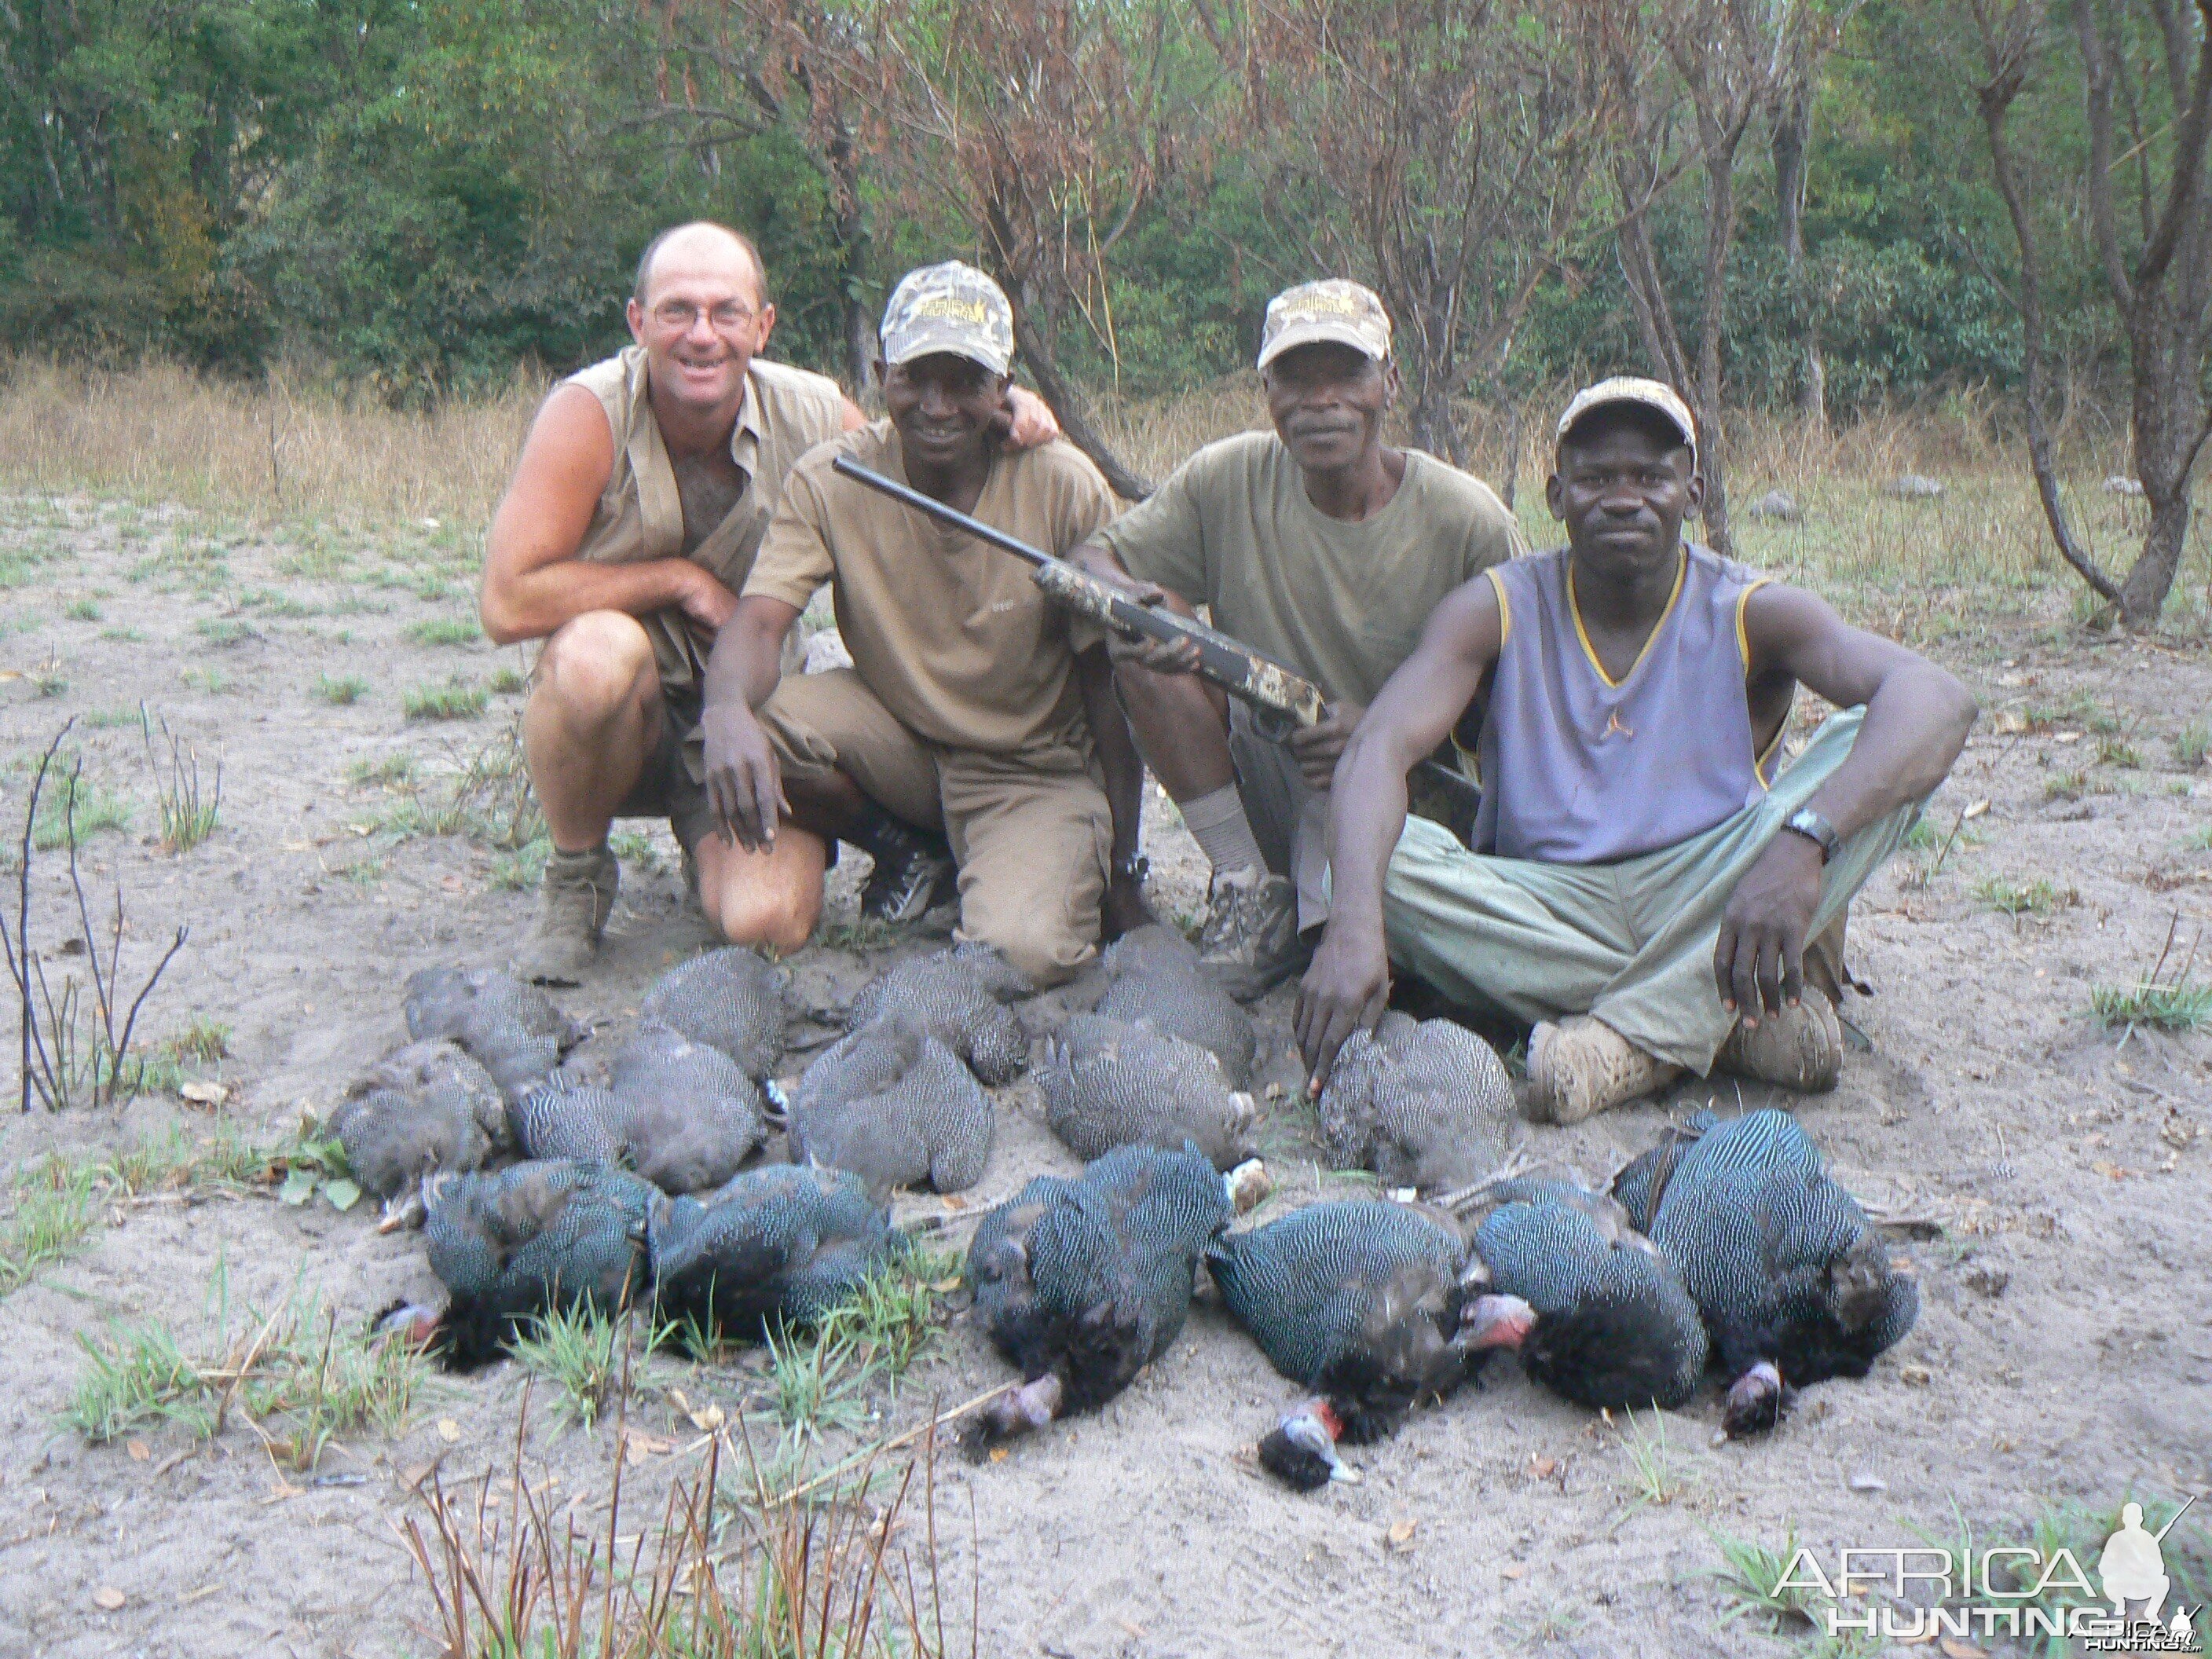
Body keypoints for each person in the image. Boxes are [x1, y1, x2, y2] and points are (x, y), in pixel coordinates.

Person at [1296, 377, 1978, 1122]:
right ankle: (1722, 1018)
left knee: (1871, 744)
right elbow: (1377, 750)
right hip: (1544, 904)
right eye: (1595, 479)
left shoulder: (1751, 609)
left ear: (1693, 491)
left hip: (1720, 887)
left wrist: (1800, 846)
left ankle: (1621, 1046)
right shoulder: (1493, 608)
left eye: (1651, 477)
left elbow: (1939, 698)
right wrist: (1355, 925)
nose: (1624, 499)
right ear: (1555, 497)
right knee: (1362, 851)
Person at [479, 222, 1058, 980]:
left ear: (763, 325)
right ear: (637, 321)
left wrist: (1010, 409)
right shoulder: (587, 412)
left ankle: (719, 852)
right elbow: (507, 601)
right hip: (629, 716)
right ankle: (578, 876)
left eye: (726, 312)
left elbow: (924, 433)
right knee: (594, 656)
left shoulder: (814, 411)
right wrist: (680, 581)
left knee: (768, 925)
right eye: (677, 311)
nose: (702, 336)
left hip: (753, 719)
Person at [1068, 279, 1526, 998]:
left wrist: (1384, 737)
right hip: (1271, 763)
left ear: (1390, 381)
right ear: (1266, 389)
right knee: (1141, 647)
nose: (1321, 401)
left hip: (1411, 791)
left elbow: (1518, 708)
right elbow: (1094, 561)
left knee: (1412, 967)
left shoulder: (1469, 520)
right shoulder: (1226, 477)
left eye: (1347, 373)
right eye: (1295, 379)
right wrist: (1138, 605)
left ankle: (1341, 915)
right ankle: (1248, 888)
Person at [696, 261, 1146, 987]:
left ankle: (1029, 859)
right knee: (748, 722)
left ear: (1005, 387)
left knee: (1017, 959)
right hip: (902, 739)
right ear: (881, 374)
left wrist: (1126, 868)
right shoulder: (832, 475)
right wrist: (722, 710)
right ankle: (909, 846)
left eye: (964, 381)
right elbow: (759, 622)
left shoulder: (1061, 483)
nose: (936, 406)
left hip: (1029, 770)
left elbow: (1109, 690)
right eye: (915, 378)